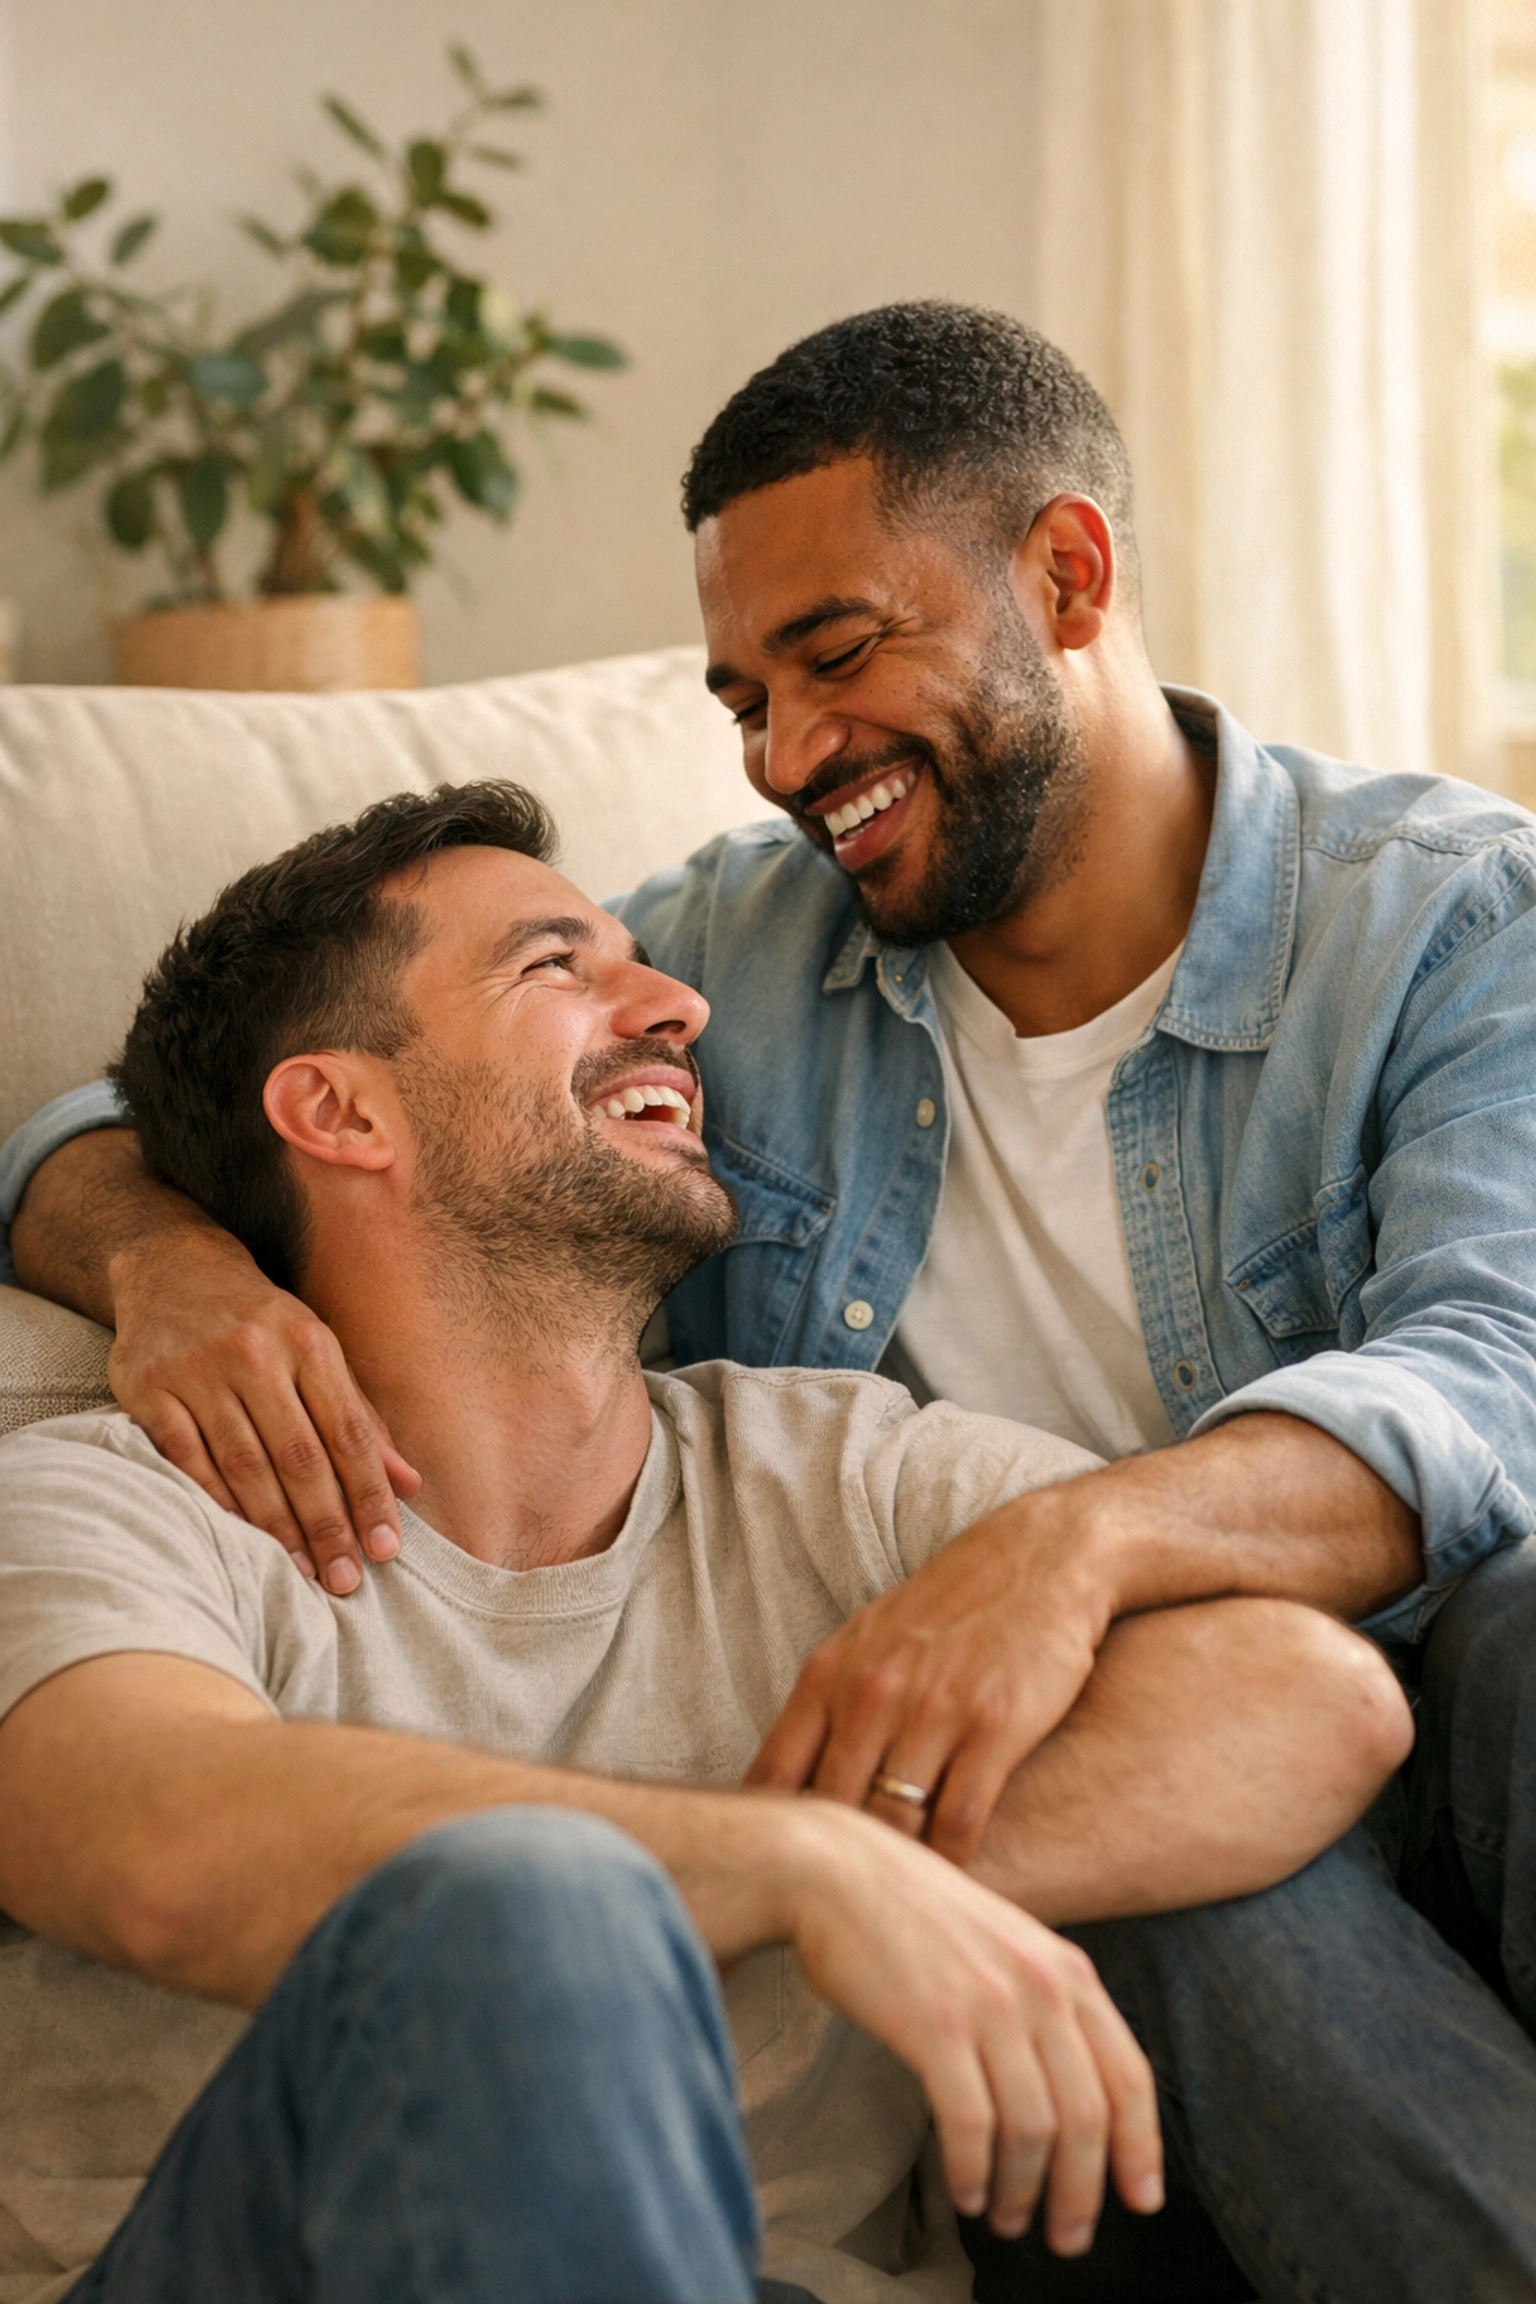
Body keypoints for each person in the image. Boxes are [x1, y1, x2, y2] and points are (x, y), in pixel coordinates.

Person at [7, 302, 1536, 2297]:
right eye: (743, 695)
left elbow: (1480, 1412)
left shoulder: (1438, 919)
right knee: (1125, 1893)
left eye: (837, 655)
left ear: (1065, 577)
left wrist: (1074, 1555)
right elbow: (180, 1099)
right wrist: (166, 1257)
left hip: (1375, 1728)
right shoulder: (750, 939)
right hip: (1059, 1842)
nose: (787, 755)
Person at [0, 780, 1406, 2304]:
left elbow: (1309, 1698)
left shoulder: (832, 1468)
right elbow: (152, 1837)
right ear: (342, 1110)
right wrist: (788, 1868)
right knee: (532, 1909)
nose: (674, 1004)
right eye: (555, 968)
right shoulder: (114, 1502)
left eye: (640, 962)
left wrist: (850, 1870)